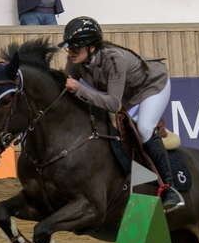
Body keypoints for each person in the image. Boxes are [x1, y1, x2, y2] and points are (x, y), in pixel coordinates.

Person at [59, 16, 184, 212]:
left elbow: (113, 104)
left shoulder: (114, 59)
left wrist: (80, 89)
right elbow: (65, 87)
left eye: (76, 47)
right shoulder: (76, 61)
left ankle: (170, 189)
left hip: (152, 86)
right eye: (69, 47)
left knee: (143, 129)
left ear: (92, 47)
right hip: (128, 95)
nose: (71, 52)